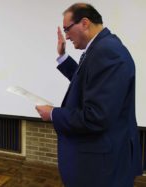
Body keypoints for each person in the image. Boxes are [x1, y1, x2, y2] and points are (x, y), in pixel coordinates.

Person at [35, 3, 142, 187]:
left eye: (67, 29)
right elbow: (88, 81)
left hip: (103, 167)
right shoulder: (101, 47)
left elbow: (96, 116)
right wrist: (62, 57)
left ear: (84, 23)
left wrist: (53, 113)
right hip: (104, 160)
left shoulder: (107, 52)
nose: (66, 36)